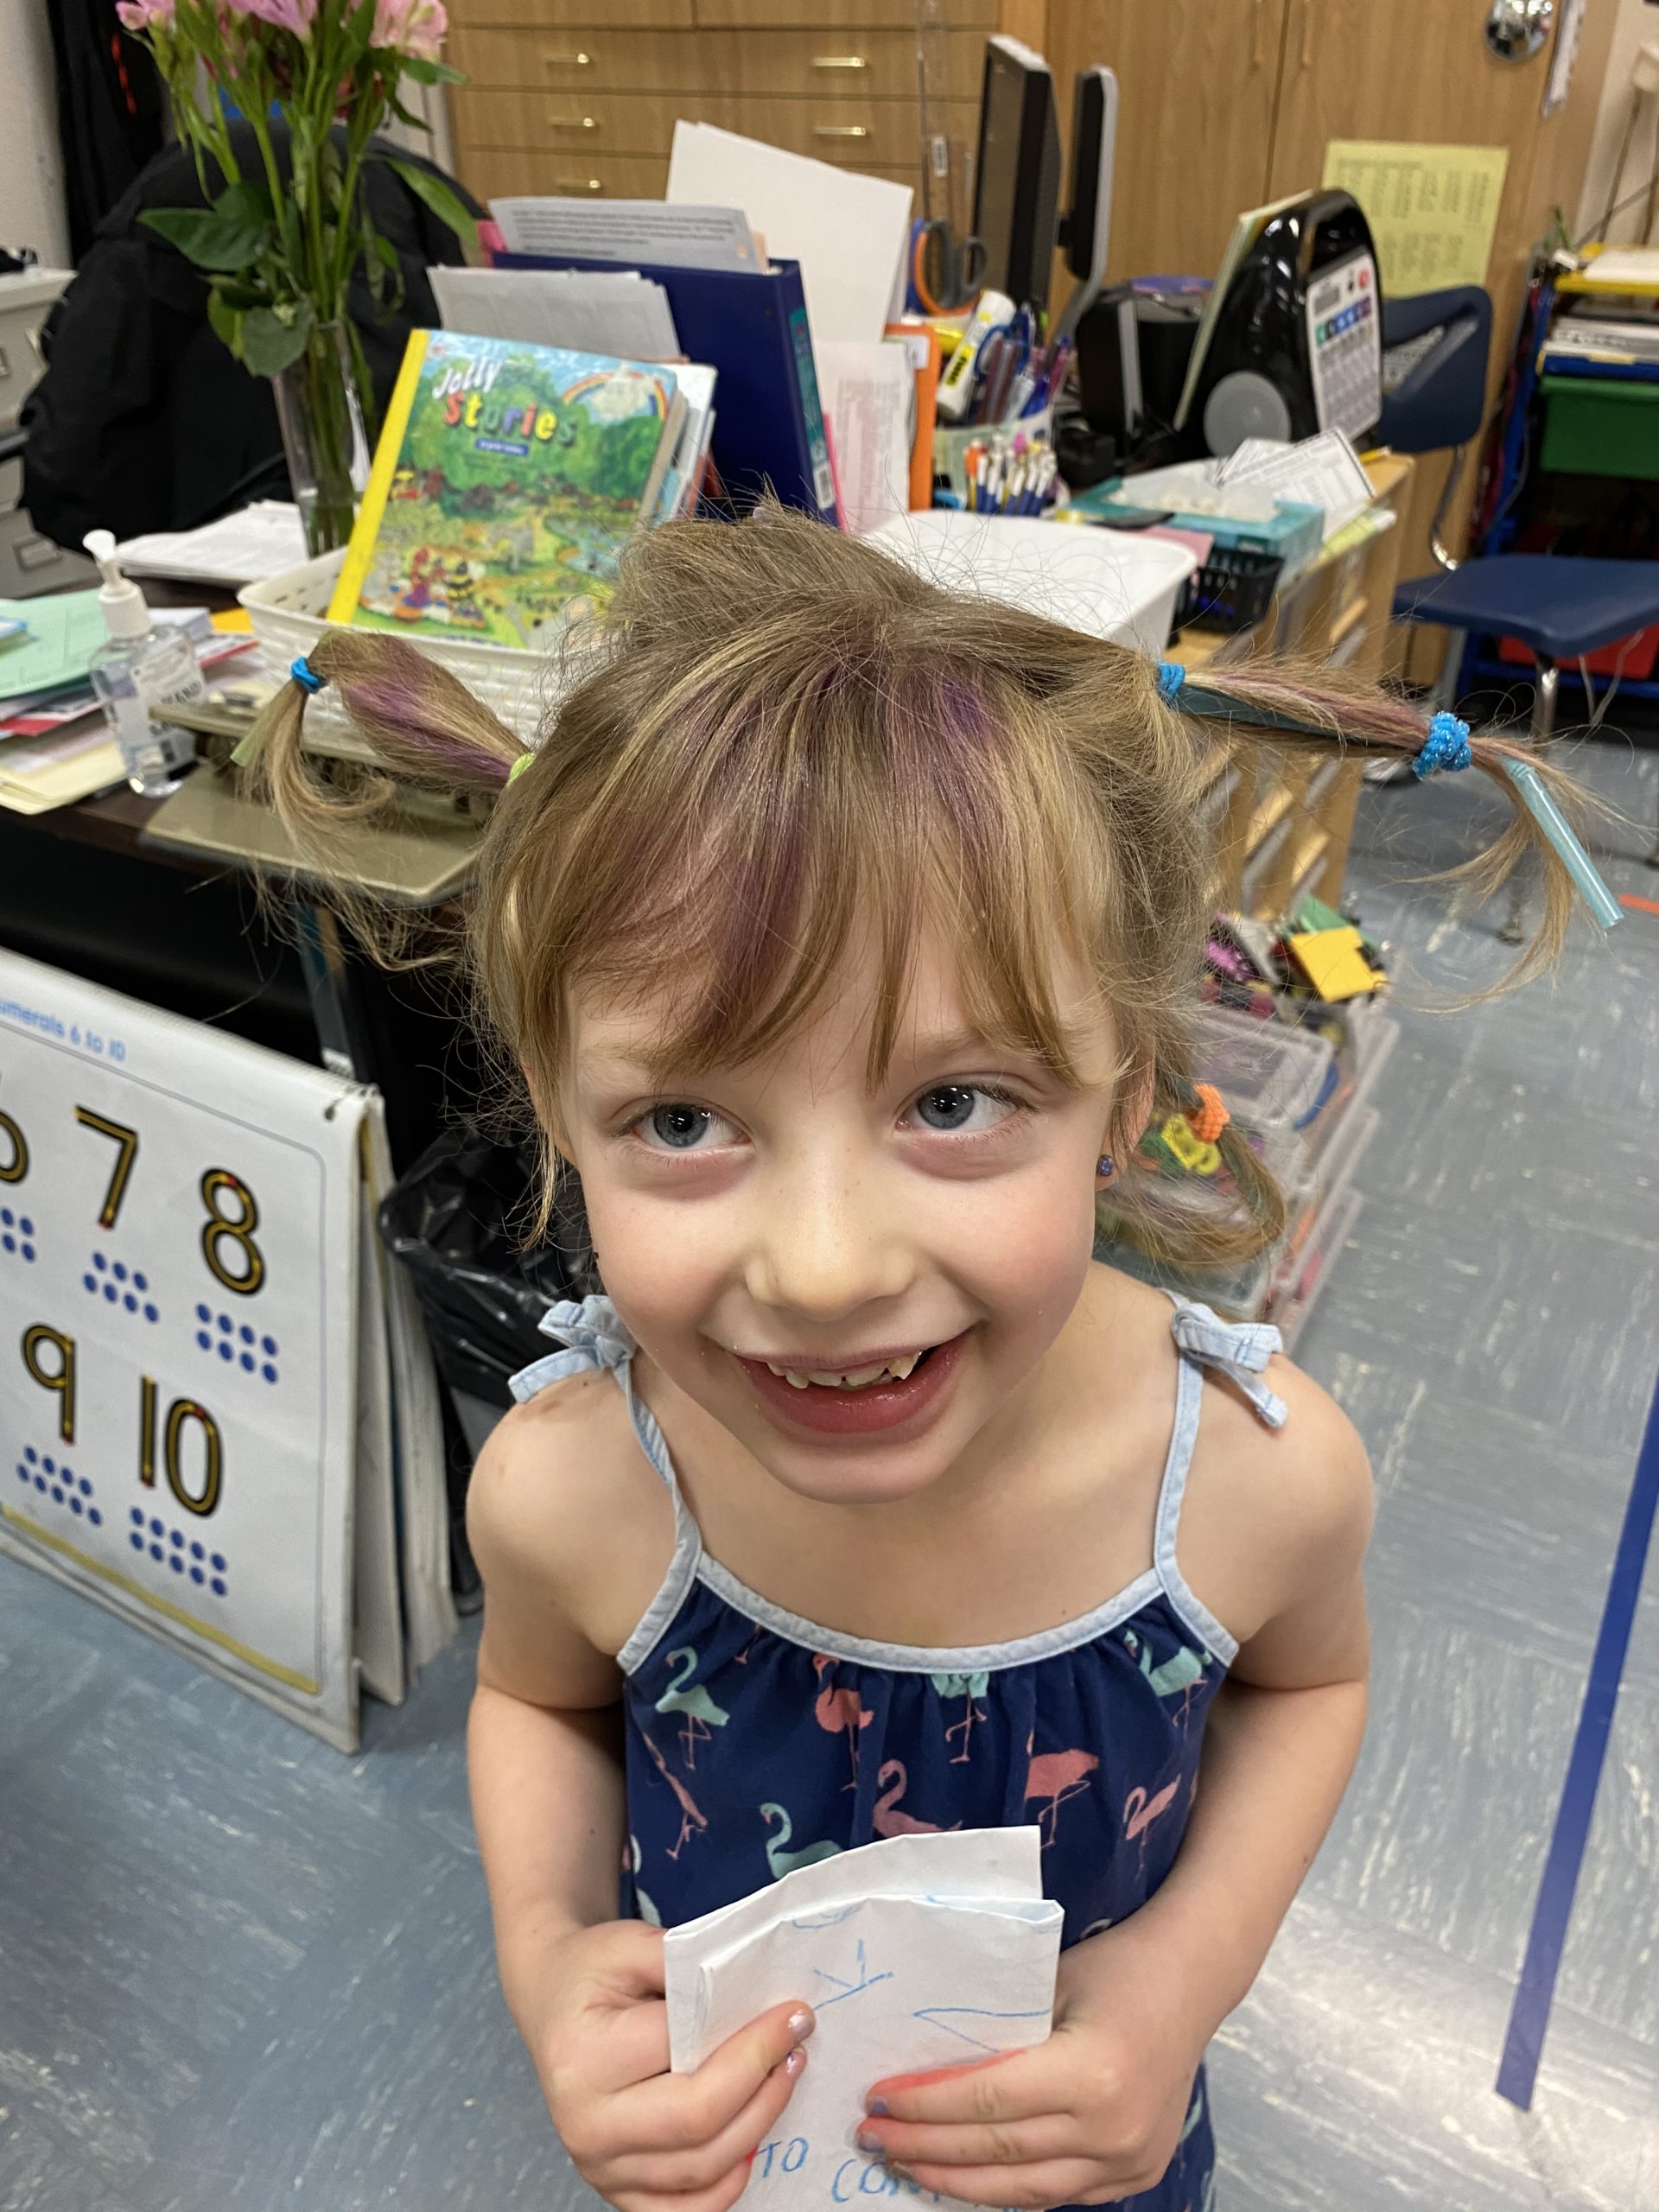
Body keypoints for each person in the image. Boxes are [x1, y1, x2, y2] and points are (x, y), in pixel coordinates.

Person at [244, 509, 1590, 2212]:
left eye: (954, 1099)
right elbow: (536, 1701)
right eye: (683, 1120)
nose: (826, 1269)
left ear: (1125, 1091)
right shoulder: (570, 1487)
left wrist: (1183, 1978)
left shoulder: (1257, 1479)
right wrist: (544, 1947)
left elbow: (1310, 1690)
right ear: (560, 1118)